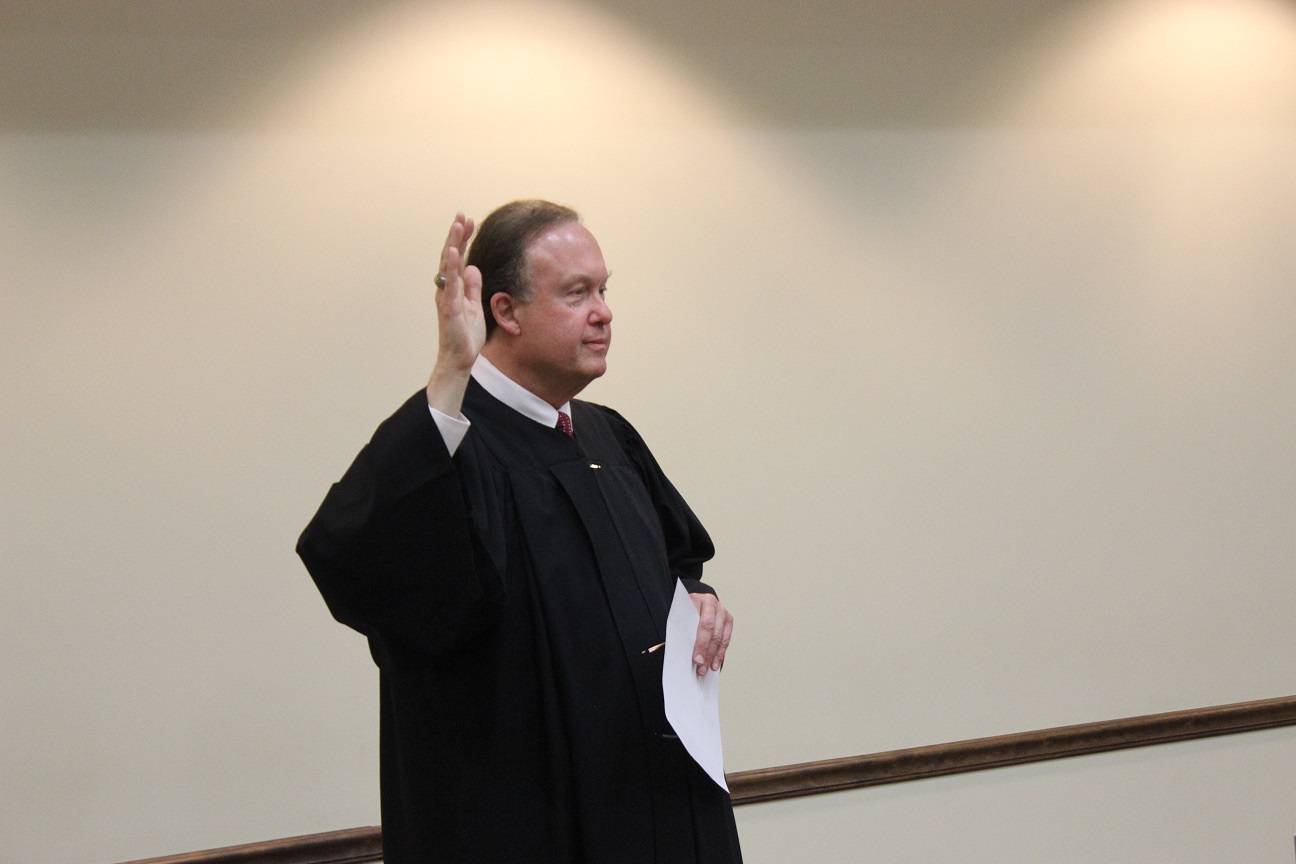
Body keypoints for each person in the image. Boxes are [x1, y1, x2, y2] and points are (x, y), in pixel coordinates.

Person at [297, 200, 743, 863]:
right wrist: (449, 374)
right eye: (577, 293)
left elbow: (680, 565)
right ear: (505, 312)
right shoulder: (451, 448)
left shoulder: (608, 437)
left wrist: (699, 604)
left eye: (604, 290)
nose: (604, 312)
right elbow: (354, 561)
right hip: (528, 827)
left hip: (658, 808)